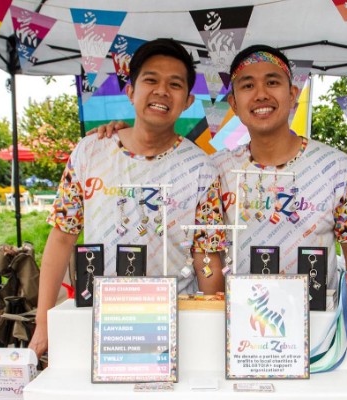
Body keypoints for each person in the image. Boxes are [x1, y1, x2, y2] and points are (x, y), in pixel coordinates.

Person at [92, 44, 347, 309]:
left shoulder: (336, 169)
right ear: (234, 103)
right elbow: (201, 253)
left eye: (273, 82)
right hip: (236, 333)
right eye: (248, 85)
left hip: (317, 332)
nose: (261, 93)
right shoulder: (214, 170)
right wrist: (121, 136)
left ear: (292, 95)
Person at [28, 38, 226, 358]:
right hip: (100, 320)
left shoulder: (202, 169)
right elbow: (62, 236)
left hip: (173, 324)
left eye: (174, 84)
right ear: (131, 91)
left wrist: (214, 329)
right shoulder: (90, 151)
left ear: (188, 100)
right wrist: (43, 323)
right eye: (150, 80)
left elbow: (207, 255)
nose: (161, 91)